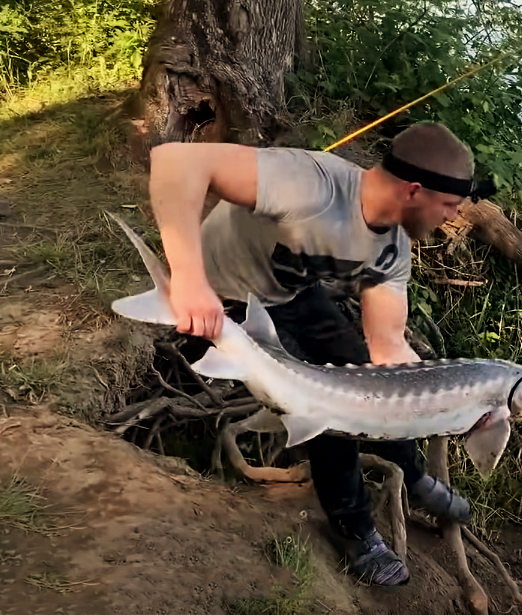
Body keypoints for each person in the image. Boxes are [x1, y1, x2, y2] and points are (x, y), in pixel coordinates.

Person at [146, 122, 488, 587]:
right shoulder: (311, 184)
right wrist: (187, 277)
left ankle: (413, 475)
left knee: (368, 382)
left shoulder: (393, 249)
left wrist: (448, 408)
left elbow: (388, 350)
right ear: (413, 189)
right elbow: (176, 160)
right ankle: (355, 529)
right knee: (327, 414)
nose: (452, 217)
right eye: (449, 205)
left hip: (291, 294)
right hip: (220, 299)